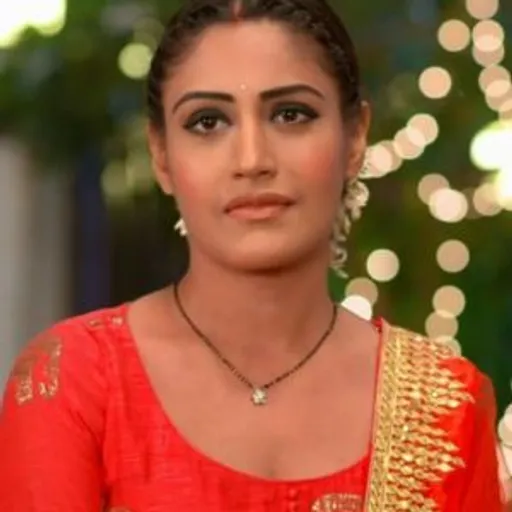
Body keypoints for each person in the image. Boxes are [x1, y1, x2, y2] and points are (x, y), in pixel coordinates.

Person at [0, 0, 507, 510]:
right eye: (207, 122)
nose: (252, 160)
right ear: (162, 156)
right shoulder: (72, 382)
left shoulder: (442, 402)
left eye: (291, 114)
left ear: (354, 138)